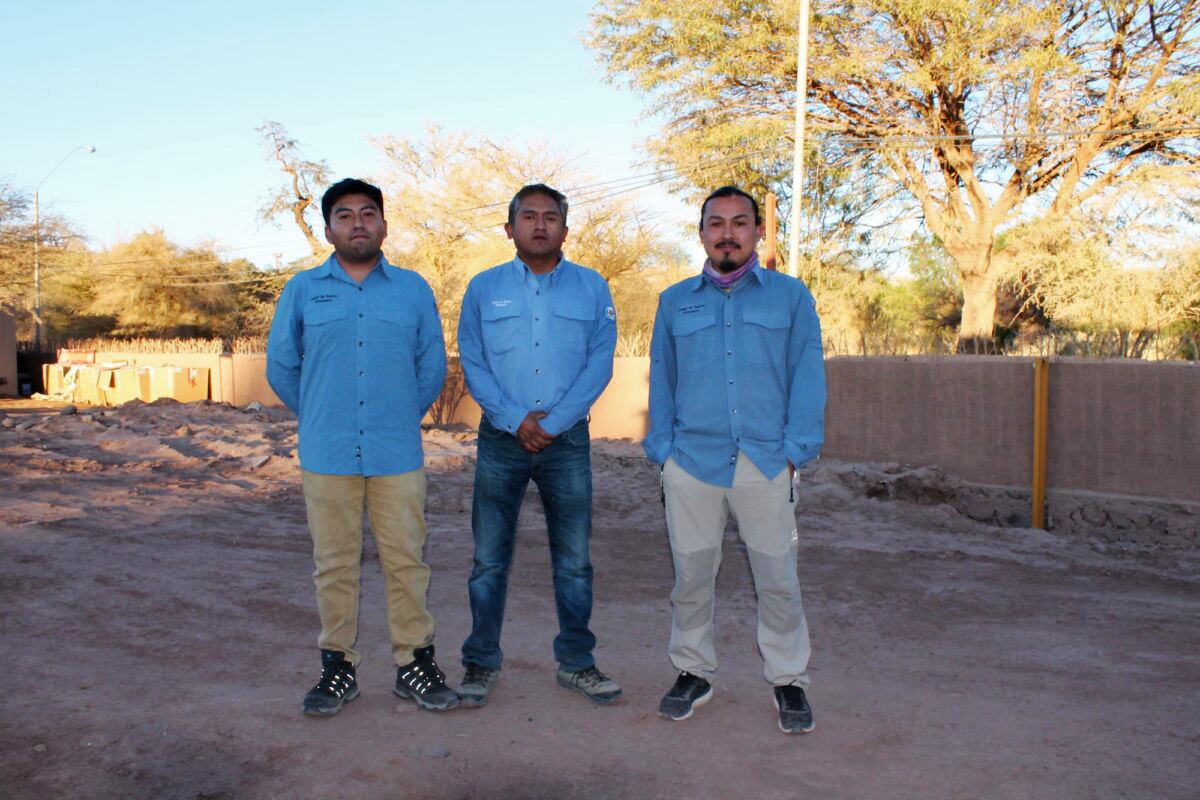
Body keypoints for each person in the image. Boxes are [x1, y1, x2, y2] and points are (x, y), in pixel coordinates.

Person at [267, 178, 459, 716]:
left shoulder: (412, 289)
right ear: (328, 228)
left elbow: (431, 365)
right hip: (327, 453)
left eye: (368, 213)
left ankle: (414, 666)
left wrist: (398, 416)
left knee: (407, 561)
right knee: (334, 564)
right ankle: (338, 669)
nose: (358, 223)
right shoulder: (303, 289)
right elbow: (283, 365)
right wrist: (322, 414)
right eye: (345, 215)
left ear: (383, 224)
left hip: (396, 451)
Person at [643, 186, 826, 734]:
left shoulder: (791, 298)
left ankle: (788, 680)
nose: (728, 232)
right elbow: (662, 377)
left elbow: (808, 375)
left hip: (766, 463)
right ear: (701, 233)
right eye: (716, 223)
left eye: (739, 222)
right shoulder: (675, 301)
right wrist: (663, 452)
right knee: (692, 575)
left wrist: (796, 452)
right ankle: (692, 671)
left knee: (777, 576)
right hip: (691, 462)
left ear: (758, 232)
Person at [455, 183, 620, 707]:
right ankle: (480, 663)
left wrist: (557, 421)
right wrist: (511, 419)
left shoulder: (593, 288)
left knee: (573, 562)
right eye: (529, 216)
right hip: (500, 441)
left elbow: (600, 361)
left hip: (566, 441)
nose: (540, 225)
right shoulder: (483, 288)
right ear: (509, 229)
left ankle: (577, 663)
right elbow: (473, 360)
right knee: (488, 560)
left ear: (566, 231)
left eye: (551, 217)